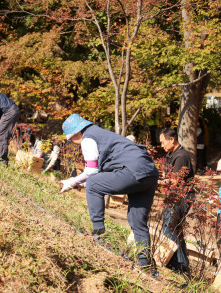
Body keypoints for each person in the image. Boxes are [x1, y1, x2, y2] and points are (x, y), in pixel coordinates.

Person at [59, 114, 159, 269]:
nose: (72, 143)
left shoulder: (88, 138)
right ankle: (145, 264)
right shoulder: (103, 134)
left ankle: (99, 234)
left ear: (76, 133)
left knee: (92, 184)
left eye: (70, 139)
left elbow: (91, 172)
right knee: (137, 221)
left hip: (132, 171)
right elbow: (105, 173)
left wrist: (71, 182)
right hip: (149, 172)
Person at [159, 128, 194, 274]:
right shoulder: (171, 154)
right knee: (175, 231)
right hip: (174, 197)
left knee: (169, 230)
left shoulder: (181, 156)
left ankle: (178, 265)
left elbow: (174, 181)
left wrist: (156, 182)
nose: (162, 146)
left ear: (171, 139)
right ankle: (182, 264)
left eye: (163, 142)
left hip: (181, 198)